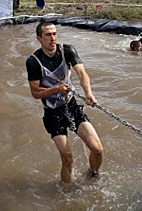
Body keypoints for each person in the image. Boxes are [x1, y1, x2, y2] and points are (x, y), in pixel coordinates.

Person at [26, 20, 104, 183]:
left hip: (72, 107)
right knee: (68, 158)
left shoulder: (67, 50)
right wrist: (55, 90)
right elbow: (35, 92)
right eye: (48, 35)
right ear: (39, 39)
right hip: (53, 114)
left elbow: (82, 73)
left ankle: (93, 175)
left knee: (97, 149)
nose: (52, 38)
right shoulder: (33, 61)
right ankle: (69, 194)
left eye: (54, 34)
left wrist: (88, 93)